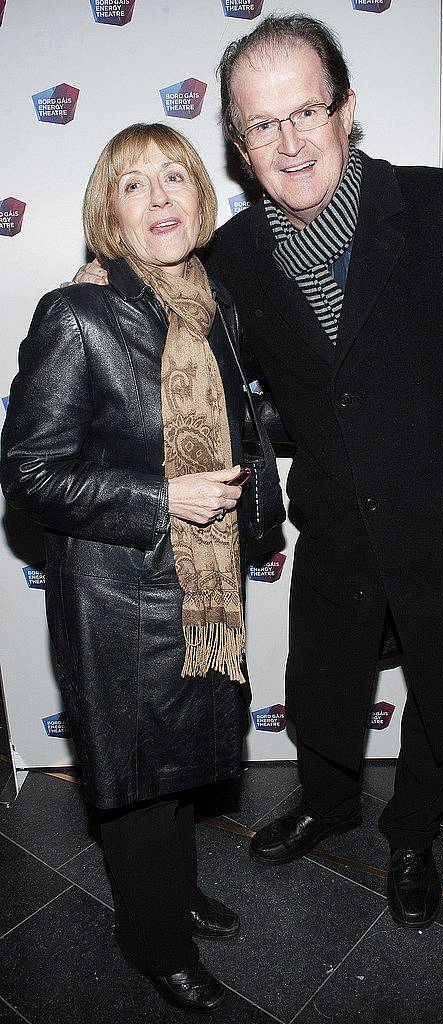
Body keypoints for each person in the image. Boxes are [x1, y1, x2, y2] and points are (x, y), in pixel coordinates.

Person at [70, 14, 443, 932]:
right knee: (326, 683)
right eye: (262, 125)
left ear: (346, 110)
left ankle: (413, 832)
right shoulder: (238, 255)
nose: (289, 142)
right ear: (239, 142)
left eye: (306, 112)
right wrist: (106, 276)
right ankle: (327, 805)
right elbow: (168, 299)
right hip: (336, 517)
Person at [0, 122, 284, 1013]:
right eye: (133, 185)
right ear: (110, 218)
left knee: (186, 765)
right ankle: (150, 939)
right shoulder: (75, 314)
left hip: (203, 584)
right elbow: (29, 471)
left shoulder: (216, 303)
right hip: (120, 594)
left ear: (202, 199)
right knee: (134, 780)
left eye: (174, 178)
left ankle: (174, 892)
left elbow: (243, 420)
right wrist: (162, 499)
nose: (159, 198)